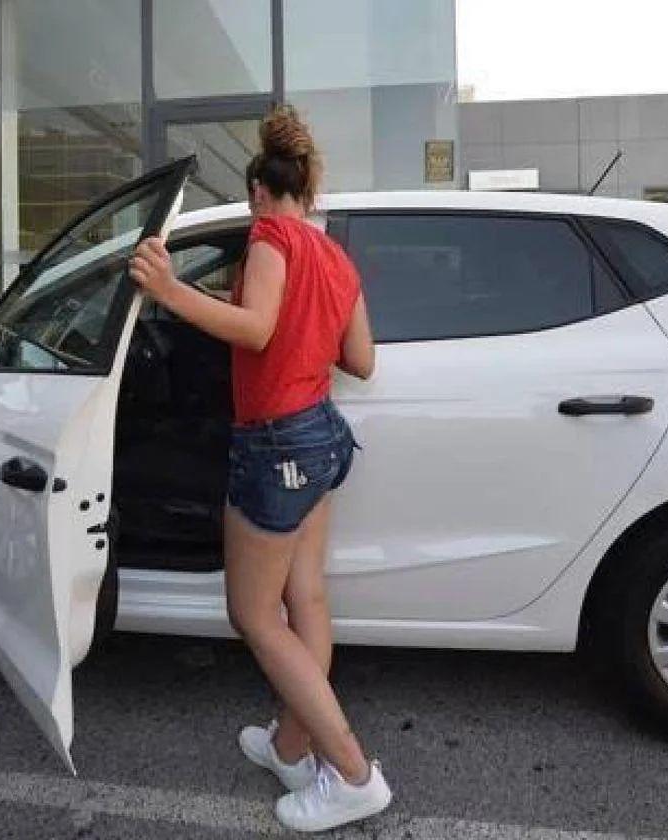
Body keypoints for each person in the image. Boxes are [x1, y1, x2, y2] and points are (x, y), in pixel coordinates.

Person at [128, 105, 389, 833]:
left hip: (275, 447)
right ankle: (289, 747)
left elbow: (258, 328)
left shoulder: (269, 235)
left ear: (257, 194)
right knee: (305, 596)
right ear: (305, 189)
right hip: (320, 440)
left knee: (253, 614)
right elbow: (361, 361)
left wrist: (169, 291)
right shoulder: (334, 257)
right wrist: (295, 328)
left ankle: (354, 774)